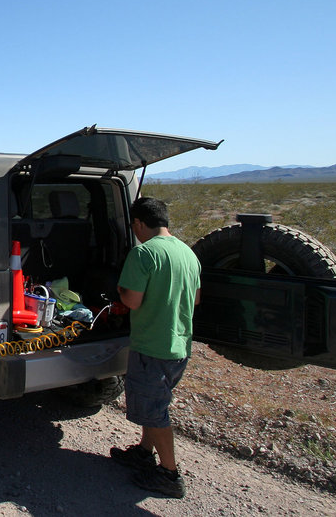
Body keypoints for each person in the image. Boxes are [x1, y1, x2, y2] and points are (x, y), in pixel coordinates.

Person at [110, 196, 201, 499]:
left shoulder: (143, 253)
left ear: (138, 223)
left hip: (153, 346)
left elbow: (132, 300)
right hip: (179, 345)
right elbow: (196, 299)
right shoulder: (187, 252)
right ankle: (143, 452)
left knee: (155, 411)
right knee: (155, 404)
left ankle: (170, 474)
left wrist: (120, 289)